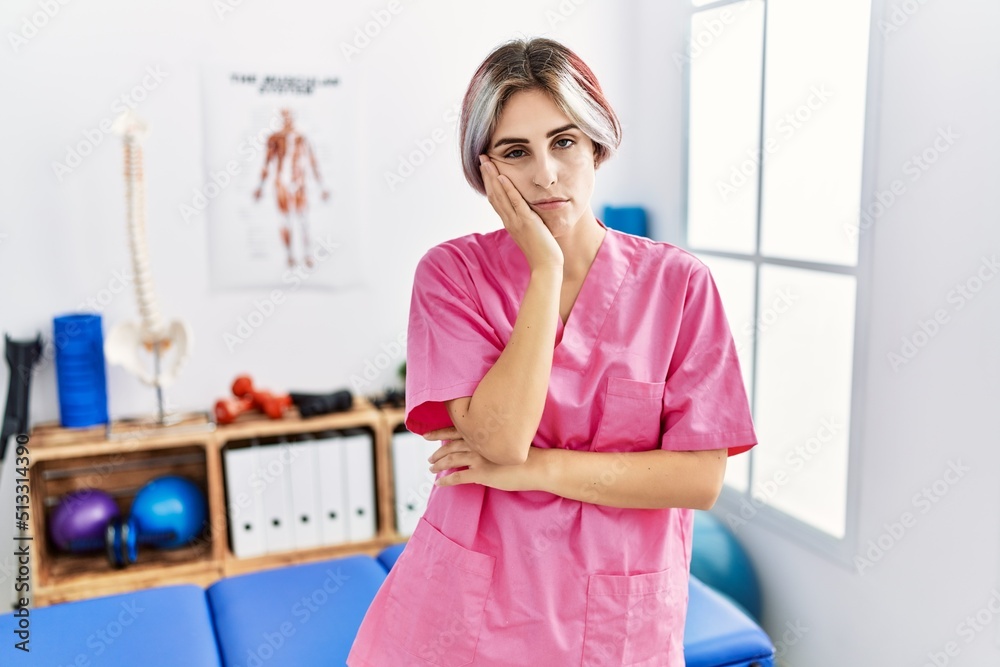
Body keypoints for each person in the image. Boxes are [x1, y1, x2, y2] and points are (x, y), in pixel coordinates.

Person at [347, 37, 757, 667]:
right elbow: (499, 439)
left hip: (616, 618)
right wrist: (544, 267)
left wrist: (539, 471)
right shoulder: (451, 275)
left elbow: (698, 479)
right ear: (486, 169)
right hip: (470, 613)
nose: (545, 173)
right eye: (516, 152)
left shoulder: (679, 287)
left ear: (596, 143)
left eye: (564, 141)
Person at [252, 108, 330, 268]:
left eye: (290, 116)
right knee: (285, 220)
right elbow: (266, 163)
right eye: (284, 117)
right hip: (281, 183)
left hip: (299, 183)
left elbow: (312, 161)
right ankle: (290, 256)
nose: (287, 120)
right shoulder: (274, 138)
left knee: (303, 220)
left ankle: (307, 255)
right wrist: (260, 186)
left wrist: (321, 186)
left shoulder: (301, 138)